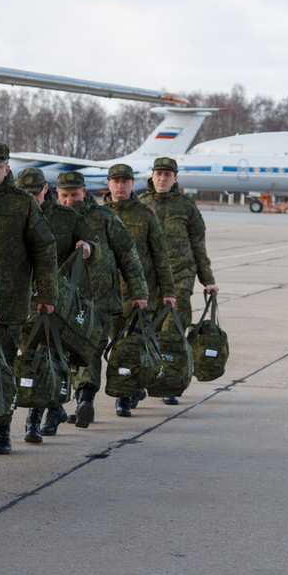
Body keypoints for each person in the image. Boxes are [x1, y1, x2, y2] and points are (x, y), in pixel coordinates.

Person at [0, 142, 58, 454]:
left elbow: (44, 249)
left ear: (7, 169)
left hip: (9, 302)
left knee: (4, 370)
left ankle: (2, 429)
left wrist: (47, 293)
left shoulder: (23, 203)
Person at [56, 171, 148, 428]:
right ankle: (76, 399)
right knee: (68, 351)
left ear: (84, 193)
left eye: (74, 195)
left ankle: (85, 398)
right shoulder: (53, 219)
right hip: (66, 299)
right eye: (64, 195)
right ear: (57, 194)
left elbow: (128, 256)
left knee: (92, 347)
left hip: (99, 297)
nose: (70, 200)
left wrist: (139, 292)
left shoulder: (104, 217)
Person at [17, 166, 96, 438]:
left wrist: (88, 247)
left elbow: (91, 242)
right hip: (21, 300)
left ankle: (36, 419)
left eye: (35, 193)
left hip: (54, 301)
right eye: (25, 194)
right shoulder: (13, 216)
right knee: (29, 357)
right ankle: (54, 409)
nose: (31, 198)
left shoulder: (65, 217)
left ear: (45, 191)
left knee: (46, 356)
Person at [138, 156, 219, 405]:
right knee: (144, 331)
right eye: (159, 174)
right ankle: (139, 382)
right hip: (148, 280)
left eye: (168, 175)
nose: (162, 179)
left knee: (173, 332)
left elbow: (198, 245)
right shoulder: (141, 204)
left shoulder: (186, 206)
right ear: (152, 176)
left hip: (181, 276)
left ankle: (170, 384)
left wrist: (208, 280)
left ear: (175, 179)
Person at [103, 163, 175, 416]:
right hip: (108, 295)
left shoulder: (145, 214)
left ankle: (125, 394)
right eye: (116, 181)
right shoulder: (98, 213)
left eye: (125, 181)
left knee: (133, 345)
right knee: (116, 344)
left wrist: (168, 291)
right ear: (108, 183)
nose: (120, 186)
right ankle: (131, 387)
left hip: (139, 295)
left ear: (133, 184)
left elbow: (160, 256)